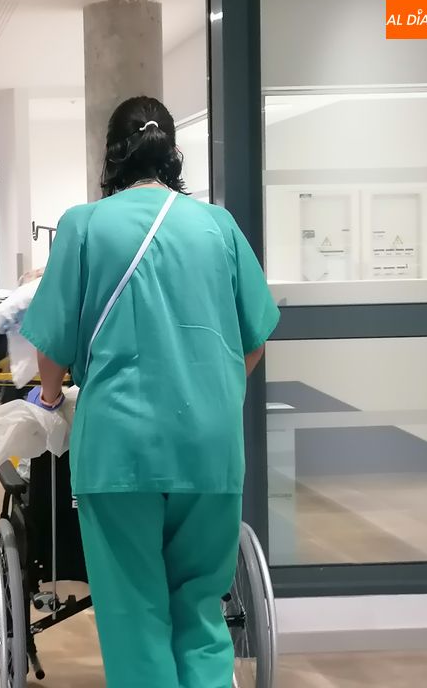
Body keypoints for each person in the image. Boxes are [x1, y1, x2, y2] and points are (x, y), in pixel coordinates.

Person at [20, 96, 279, 688]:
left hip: (120, 449)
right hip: (210, 448)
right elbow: (256, 337)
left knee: (135, 612)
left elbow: (52, 352)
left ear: (110, 153)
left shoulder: (84, 225)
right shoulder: (218, 225)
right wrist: (212, 395)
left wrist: (53, 401)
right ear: (172, 155)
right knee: (201, 610)